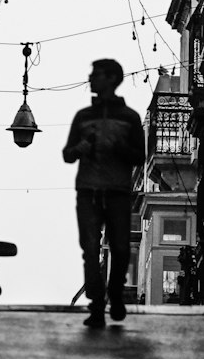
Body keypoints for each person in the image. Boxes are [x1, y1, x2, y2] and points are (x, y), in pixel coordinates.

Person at [62, 58, 146, 328]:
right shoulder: (83, 117)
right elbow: (67, 154)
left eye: (96, 75)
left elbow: (139, 157)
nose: (90, 79)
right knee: (90, 249)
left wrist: (119, 148)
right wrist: (81, 148)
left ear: (112, 79)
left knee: (121, 247)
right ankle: (97, 304)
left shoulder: (130, 118)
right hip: (87, 190)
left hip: (118, 192)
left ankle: (115, 293)